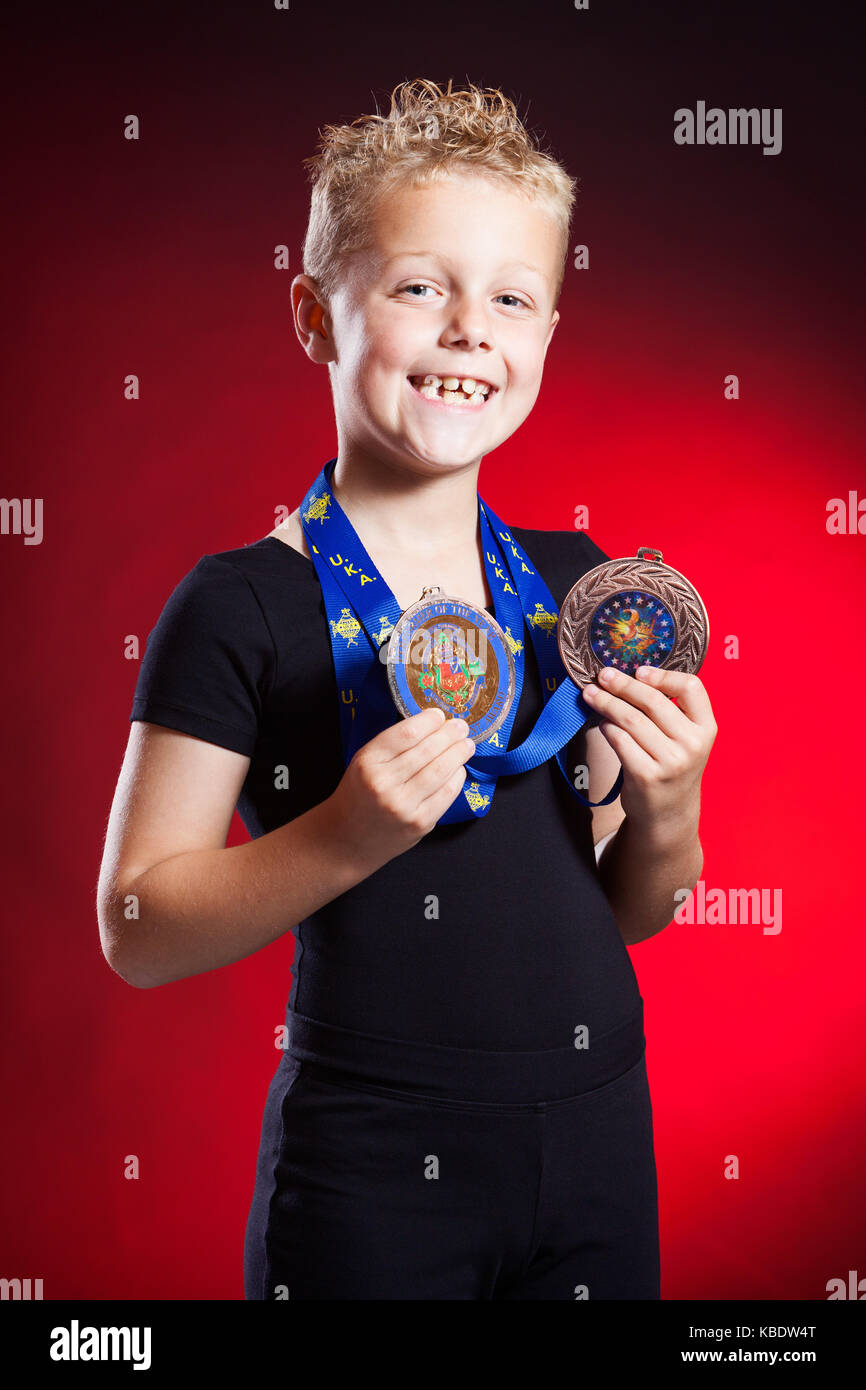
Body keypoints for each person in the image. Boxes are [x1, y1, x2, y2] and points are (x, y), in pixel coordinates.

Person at [96, 78, 717, 1300]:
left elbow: (623, 910)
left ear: (544, 334)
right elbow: (135, 928)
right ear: (313, 315)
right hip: (374, 1157)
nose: (468, 328)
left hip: (597, 1135)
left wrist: (671, 804)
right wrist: (344, 834)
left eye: (511, 297)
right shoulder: (240, 603)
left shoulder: (577, 588)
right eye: (418, 286)